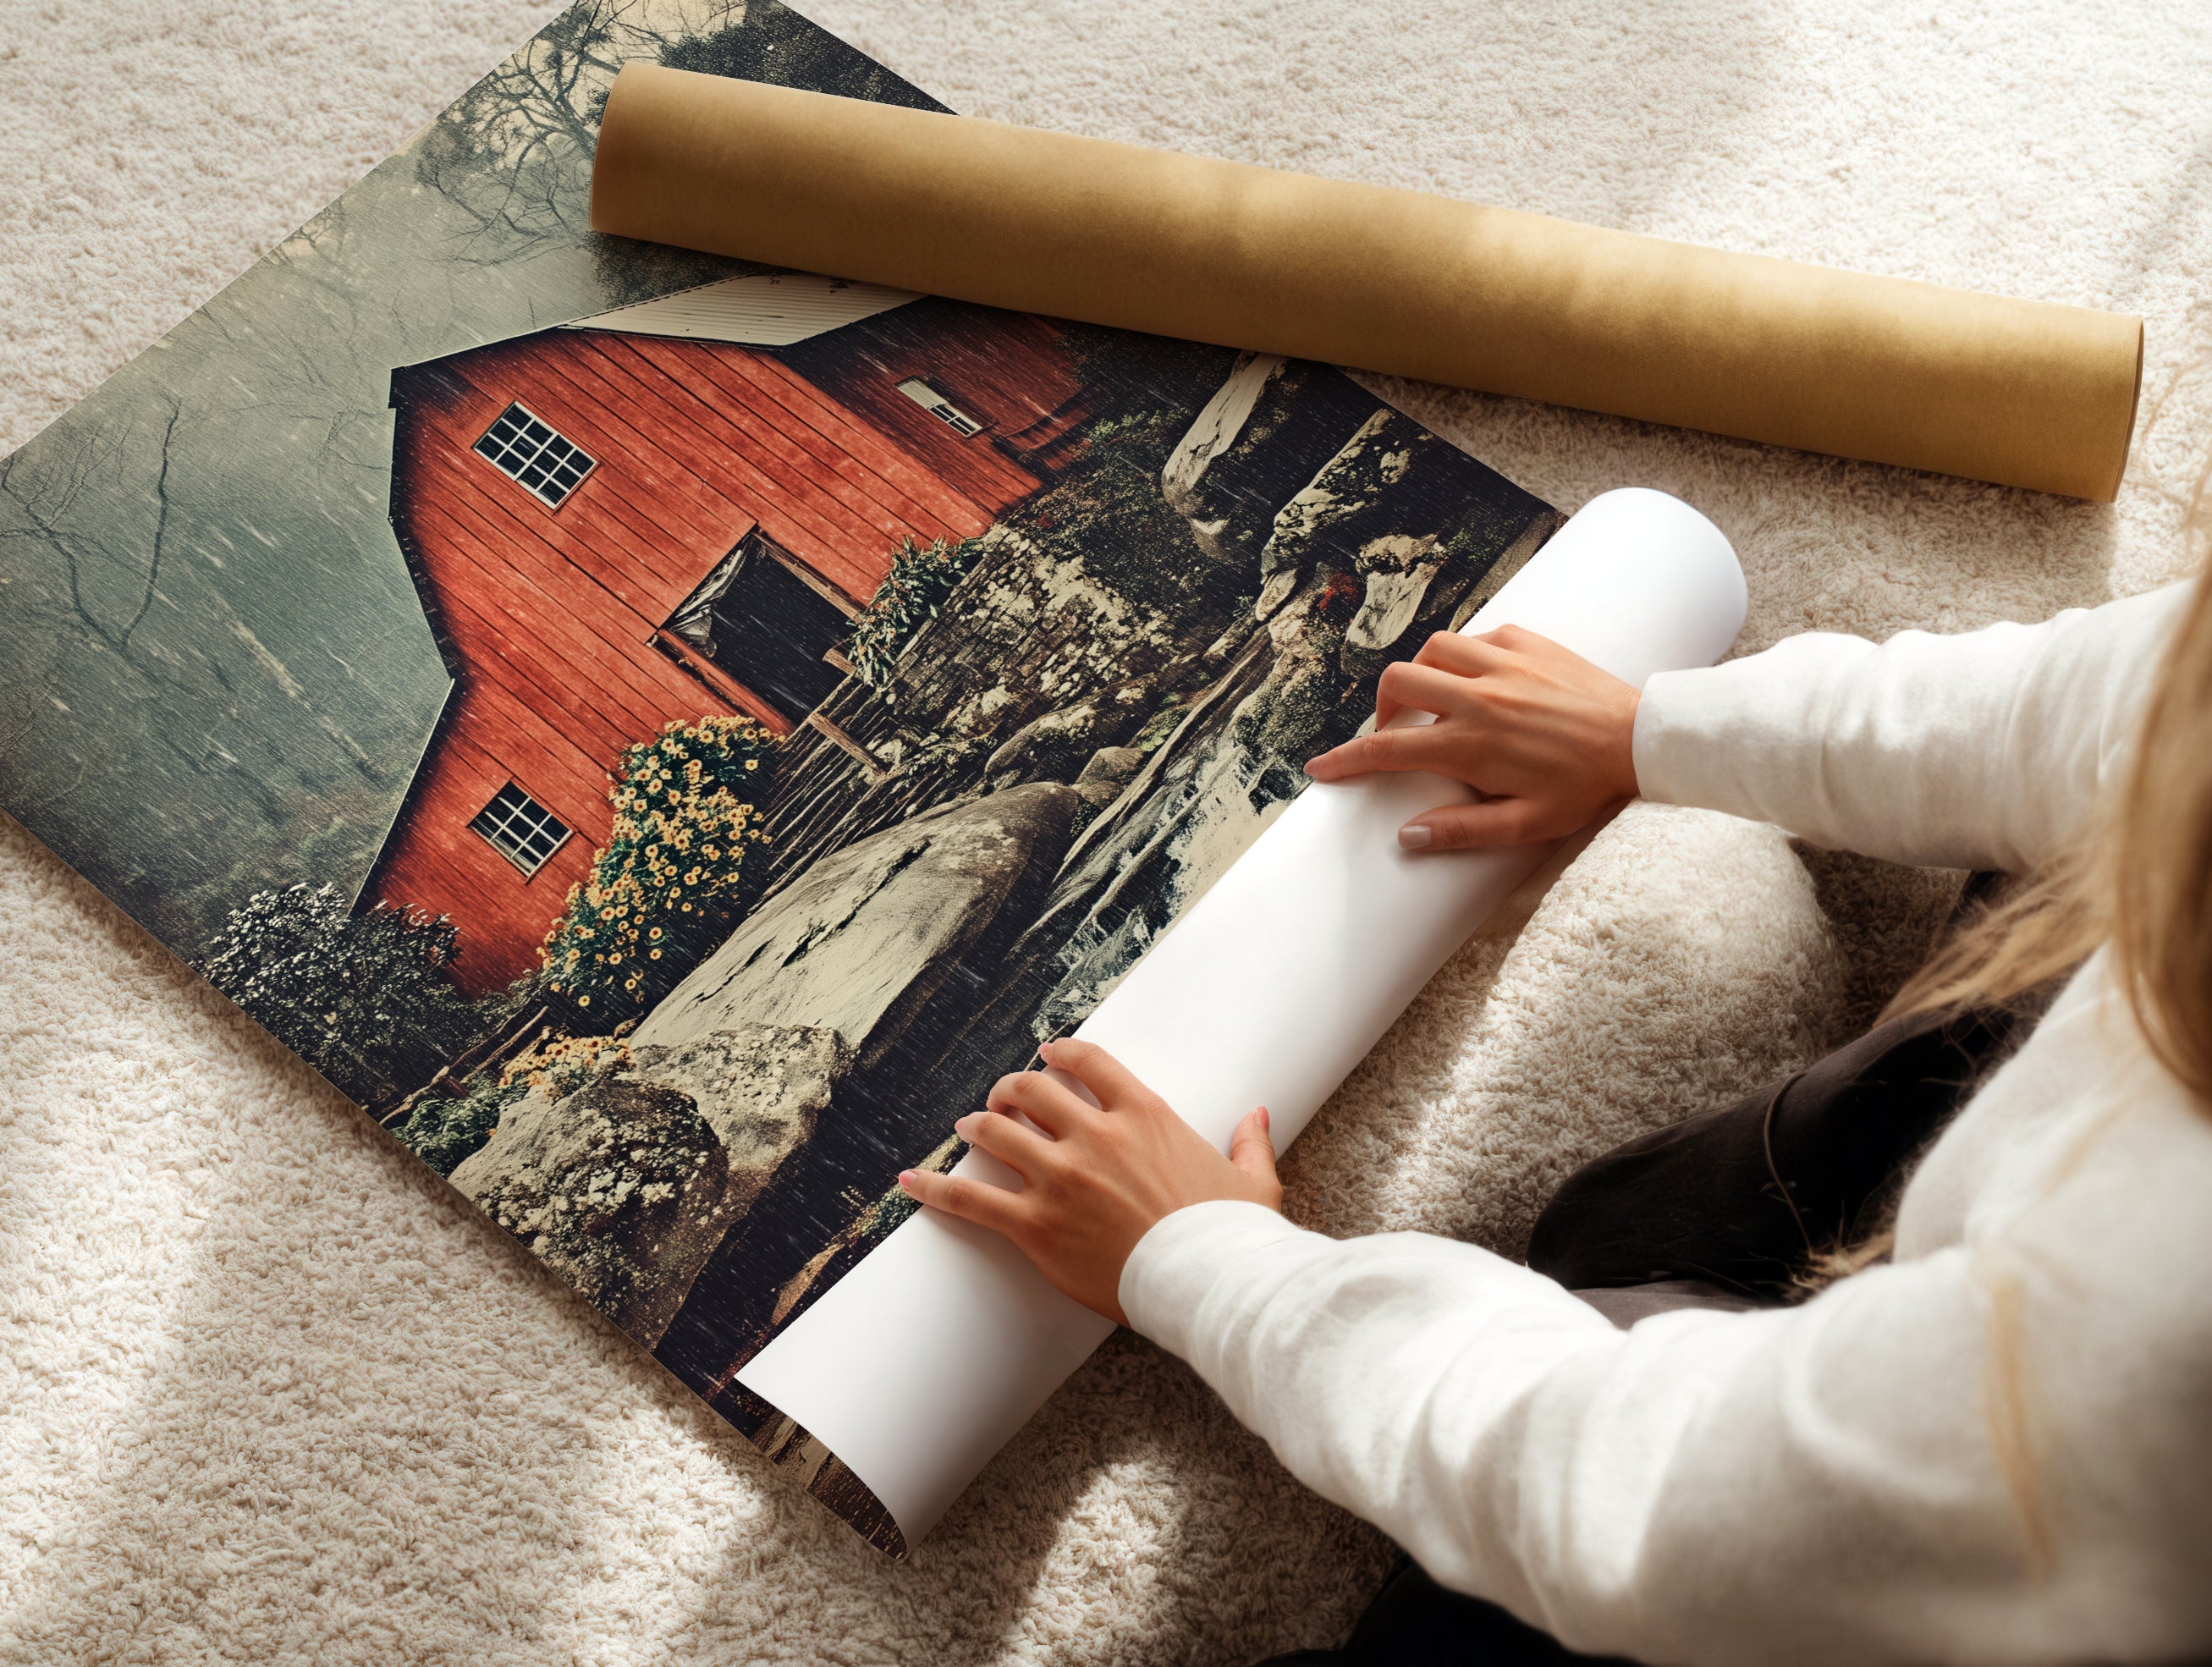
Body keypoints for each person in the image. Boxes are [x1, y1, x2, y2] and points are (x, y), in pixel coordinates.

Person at [896, 575, 2212, 1664]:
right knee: (1622, 1224)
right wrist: (1648, 728)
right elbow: (2111, 701)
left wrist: (1209, 1263)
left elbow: (1647, 1498)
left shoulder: (2150, 1341)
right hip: (2033, 1275)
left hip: (2017, 1548)